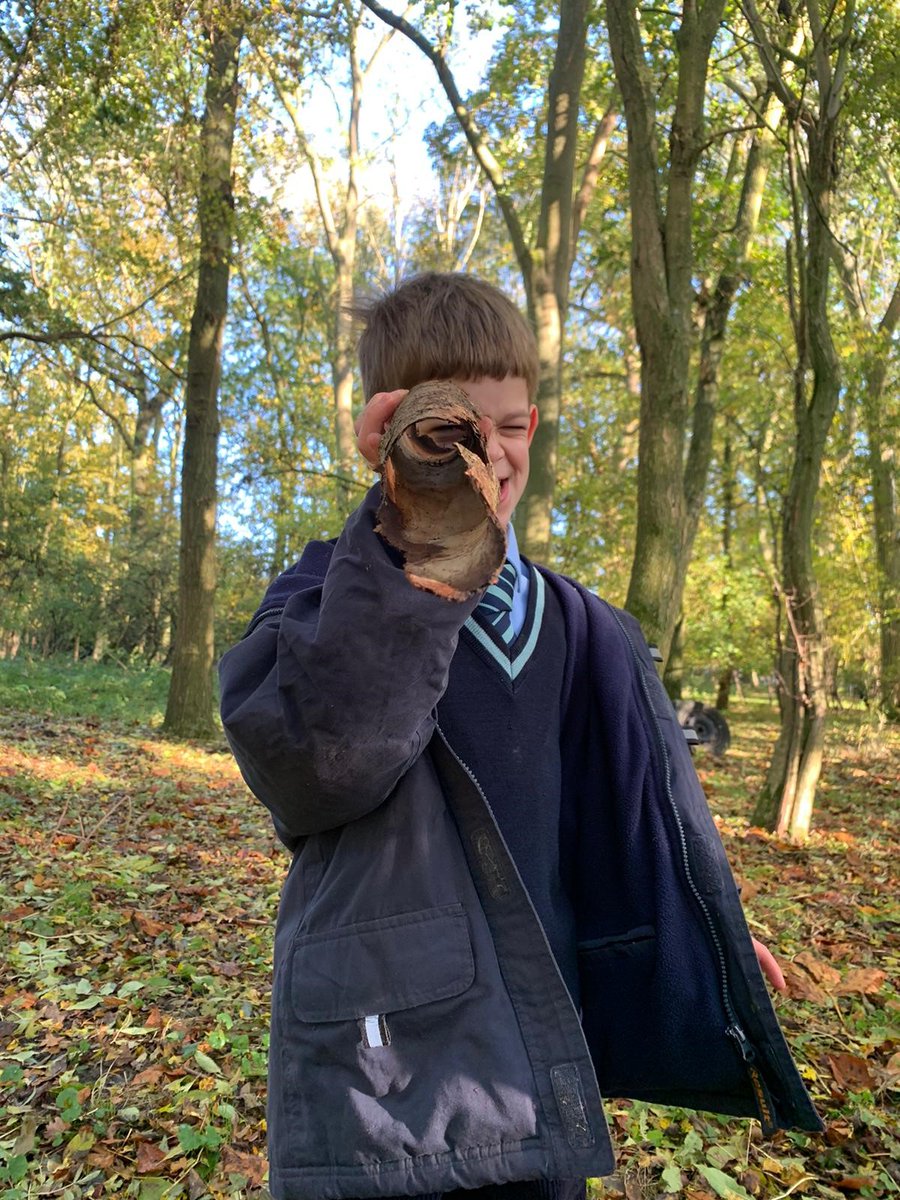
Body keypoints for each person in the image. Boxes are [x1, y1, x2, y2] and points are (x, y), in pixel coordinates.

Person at [218, 273, 820, 1200]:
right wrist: (417, 550)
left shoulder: (580, 625)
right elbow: (317, 766)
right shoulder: (324, 595)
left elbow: (628, 802)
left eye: (507, 427)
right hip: (386, 1074)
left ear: (532, 429)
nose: (488, 456)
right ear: (386, 435)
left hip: (538, 1052)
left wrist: (703, 921)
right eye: (452, 430)